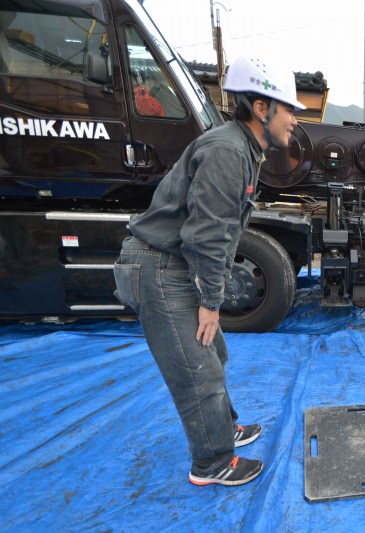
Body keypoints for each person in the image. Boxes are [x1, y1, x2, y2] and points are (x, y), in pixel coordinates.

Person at [113, 56, 305, 487]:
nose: (294, 119)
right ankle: (213, 462)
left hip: (176, 263)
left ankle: (223, 429)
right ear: (261, 108)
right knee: (195, 368)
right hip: (161, 267)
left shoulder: (243, 148)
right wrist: (210, 303)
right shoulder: (227, 150)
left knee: (213, 355)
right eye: (288, 108)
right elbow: (207, 235)